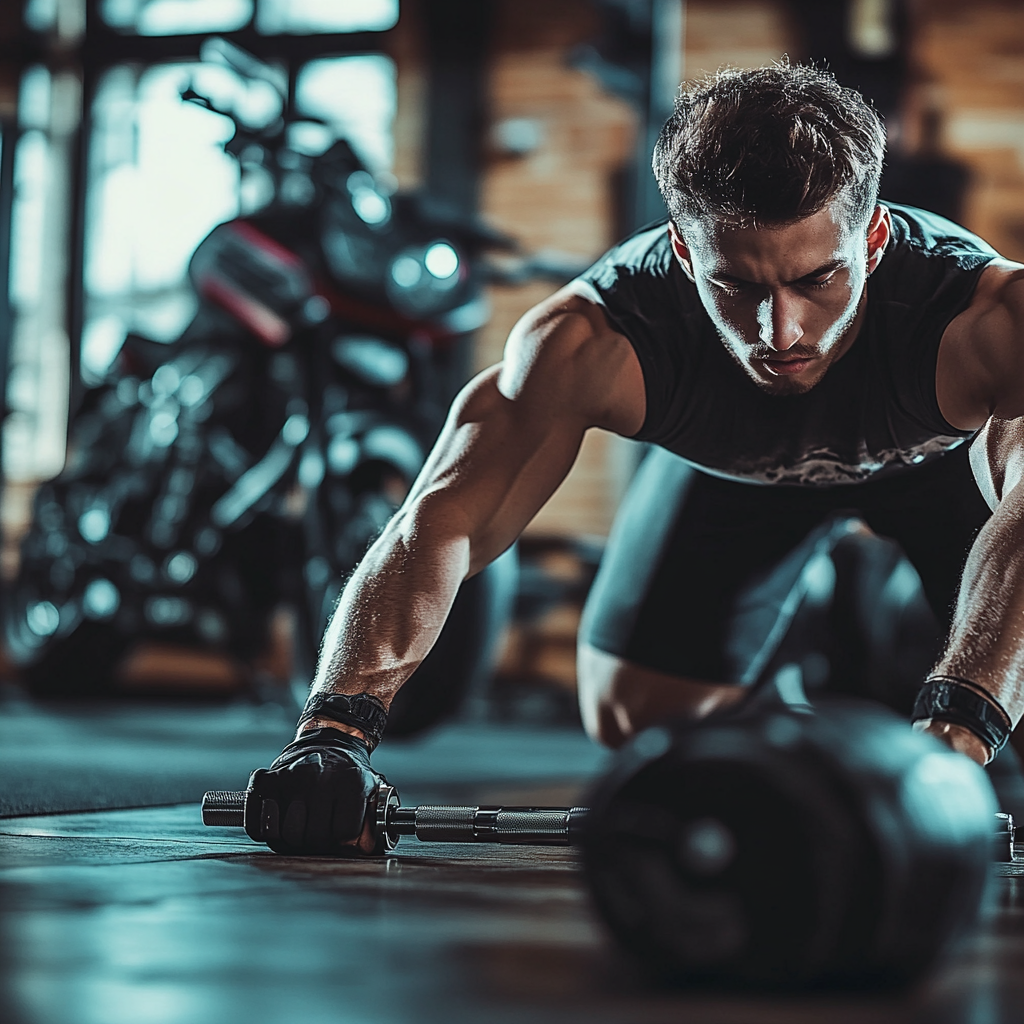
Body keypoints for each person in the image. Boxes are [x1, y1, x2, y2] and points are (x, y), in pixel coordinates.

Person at [243, 62, 1024, 855]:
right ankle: (791, 698)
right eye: (736, 288)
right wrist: (334, 730)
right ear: (685, 253)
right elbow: (441, 524)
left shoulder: (987, 317)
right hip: (733, 475)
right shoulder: (595, 336)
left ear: (876, 237)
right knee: (633, 717)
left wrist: (949, 745)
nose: (779, 332)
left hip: (943, 475)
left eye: (817, 279)